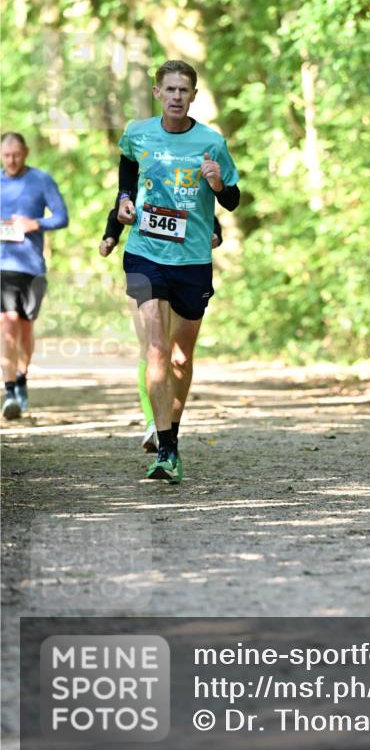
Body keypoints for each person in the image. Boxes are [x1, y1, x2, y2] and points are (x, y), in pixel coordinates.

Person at [116, 59, 240, 483]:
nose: (175, 97)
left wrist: (218, 183)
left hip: (191, 261)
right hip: (145, 253)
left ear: (193, 96)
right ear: (157, 94)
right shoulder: (138, 132)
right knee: (155, 348)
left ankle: (172, 431)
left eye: (183, 91)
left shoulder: (211, 142)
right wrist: (124, 201)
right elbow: (127, 165)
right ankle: (166, 450)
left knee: (181, 357)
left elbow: (234, 200)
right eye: (168, 90)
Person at [99, 199, 223, 452]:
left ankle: (168, 427)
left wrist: (216, 234)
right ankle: (153, 424)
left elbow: (205, 213)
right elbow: (121, 207)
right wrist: (110, 236)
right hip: (146, 265)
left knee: (178, 355)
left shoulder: (183, 175)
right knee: (151, 347)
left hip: (184, 269)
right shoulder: (145, 165)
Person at [0, 132, 69, 419]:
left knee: (26, 328)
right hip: (3, 265)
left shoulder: (41, 180)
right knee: (7, 322)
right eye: (6, 155)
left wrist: (34, 223)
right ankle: (9, 389)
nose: (11, 160)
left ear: (26, 152)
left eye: (16, 154)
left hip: (32, 267)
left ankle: (22, 378)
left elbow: (61, 217)